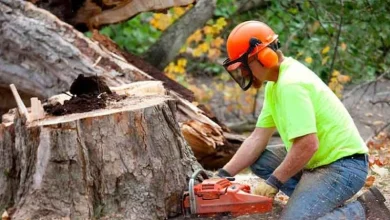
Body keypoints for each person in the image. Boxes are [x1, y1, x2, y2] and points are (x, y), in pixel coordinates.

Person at [219, 20, 390, 219]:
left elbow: (308, 145)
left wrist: (274, 182)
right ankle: (314, 202)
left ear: (264, 57)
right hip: (318, 161)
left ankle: (364, 210)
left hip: (343, 167)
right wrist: (222, 175)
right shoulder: (274, 84)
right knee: (261, 159)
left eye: (245, 67)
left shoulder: (291, 84)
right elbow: (257, 138)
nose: (244, 73)